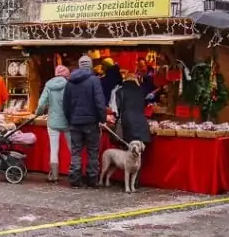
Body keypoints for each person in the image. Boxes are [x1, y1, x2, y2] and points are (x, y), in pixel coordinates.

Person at [63, 55, 107, 188]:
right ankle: (92, 179)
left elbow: (65, 104)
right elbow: (99, 102)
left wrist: (70, 119)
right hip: (91, 122)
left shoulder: (70, 81)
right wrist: (102, 119)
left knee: (76, 152)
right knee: (92, 151)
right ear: (91, 65)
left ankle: (75, 180)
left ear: (79, 65)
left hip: (75, 122)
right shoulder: (94, 80)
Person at [36, 65, 70, 183]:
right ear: (66, 74)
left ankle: (54, 176)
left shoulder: (48, 85)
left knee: (54, 149)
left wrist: (38, 113)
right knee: (72, 148)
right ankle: (75, 172)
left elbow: (41, 104)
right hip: (67, 122)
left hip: (53, 122)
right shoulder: (69, 85)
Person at [111, 70, 152, 148]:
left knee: (127, 149)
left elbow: (117, 108)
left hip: (127, 121)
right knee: (139, 149)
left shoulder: (120, 91)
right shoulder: (141, 91)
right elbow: (143, 105)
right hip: (141, 122)